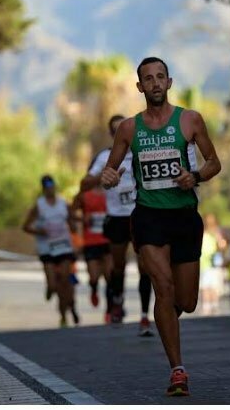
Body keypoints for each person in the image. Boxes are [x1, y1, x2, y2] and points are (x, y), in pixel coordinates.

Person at [101, 57, 221, 396]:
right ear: (139, 87)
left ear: (169, 82)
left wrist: (194, 176)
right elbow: (110, 173)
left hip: (184, 217)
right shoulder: (128, 129)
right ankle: (178, 371)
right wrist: (109, 177)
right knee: (163, 287)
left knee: (186, 300)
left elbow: (214, 162)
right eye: (147, 79)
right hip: (148, 216)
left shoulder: (190, 120)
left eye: (160, 77)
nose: (154, 83)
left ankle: (165, 315)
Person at [81, 115, 154, 336]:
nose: (120, 133)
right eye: (115, 130)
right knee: (118, 266)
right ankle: (117, 302)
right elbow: (84, 184)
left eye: (124, 128)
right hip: (116, 217)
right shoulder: (105, 156)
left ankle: (143, 316)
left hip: (140, 213)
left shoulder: (142, 151)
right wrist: (104, 177)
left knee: (145, 266)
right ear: (112, 134)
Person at [23, 175, 79, 327]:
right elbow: (26, 227)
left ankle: (64, 314)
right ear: (43, 189)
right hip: (47, 248)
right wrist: (40, 231)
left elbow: (71, 220)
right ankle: (50, 288)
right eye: (47, 188)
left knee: (65, 282)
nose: (51, 190)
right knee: (54, 285)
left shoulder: (63, 203)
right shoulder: (39, 206)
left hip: (63, 246)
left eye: (52, 186)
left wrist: (73, 226)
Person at [72, 186, 113, 320]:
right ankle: (94, 289)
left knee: (109, 277)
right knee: (94, 277)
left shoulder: (111, 191)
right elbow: (71, 212)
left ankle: (109, 310)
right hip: (91, 242)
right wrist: (82, 219)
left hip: (108, 240)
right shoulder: (85, 194)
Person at [199, 213, 227, 315]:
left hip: (213, 263)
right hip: (204, 263)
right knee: (206, 286)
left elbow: (222, 246)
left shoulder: (216, 233)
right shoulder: (202, 233)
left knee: (212, 286)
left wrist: (218, 237)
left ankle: (213, 306)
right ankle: (207, 306)